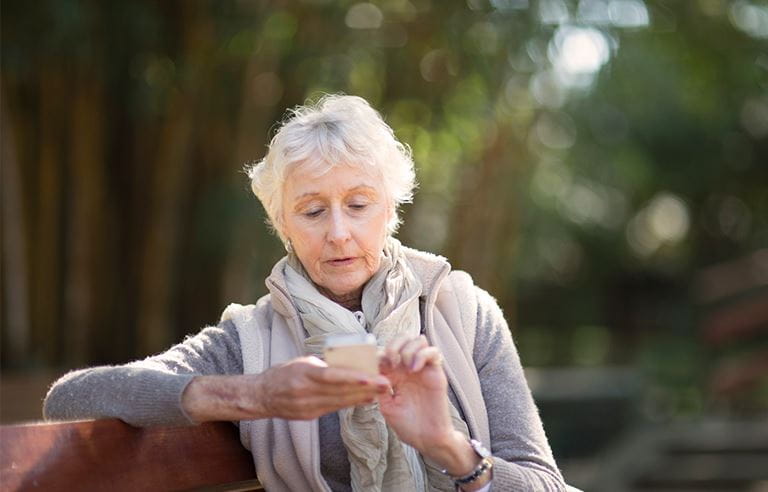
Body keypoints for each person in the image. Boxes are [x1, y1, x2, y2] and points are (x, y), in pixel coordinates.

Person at [44, 95, 567, 491]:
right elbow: (69, 398)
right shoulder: (250, 340)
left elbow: (546, 482)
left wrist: (448, 447)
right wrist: (250, 394)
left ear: (391, 210)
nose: (338, 232)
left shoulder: (463, 310)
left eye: (358, 205)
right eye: (313, 211)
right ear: (282, 224)